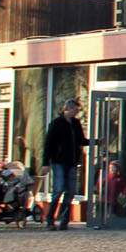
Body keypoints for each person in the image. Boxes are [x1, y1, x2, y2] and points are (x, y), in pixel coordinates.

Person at [42, 99, 89, 231]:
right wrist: (46, 162)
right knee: (59, 189)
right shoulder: (57, 123)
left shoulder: (76, 123)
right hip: (59, 161)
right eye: (75, 110)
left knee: (71, 192)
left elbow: (81, 140)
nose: (76, 113)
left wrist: (95, 142)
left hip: (72, 162)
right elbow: (48, 143)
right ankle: (50, 219)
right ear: (68, 108)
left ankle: (64, 220)